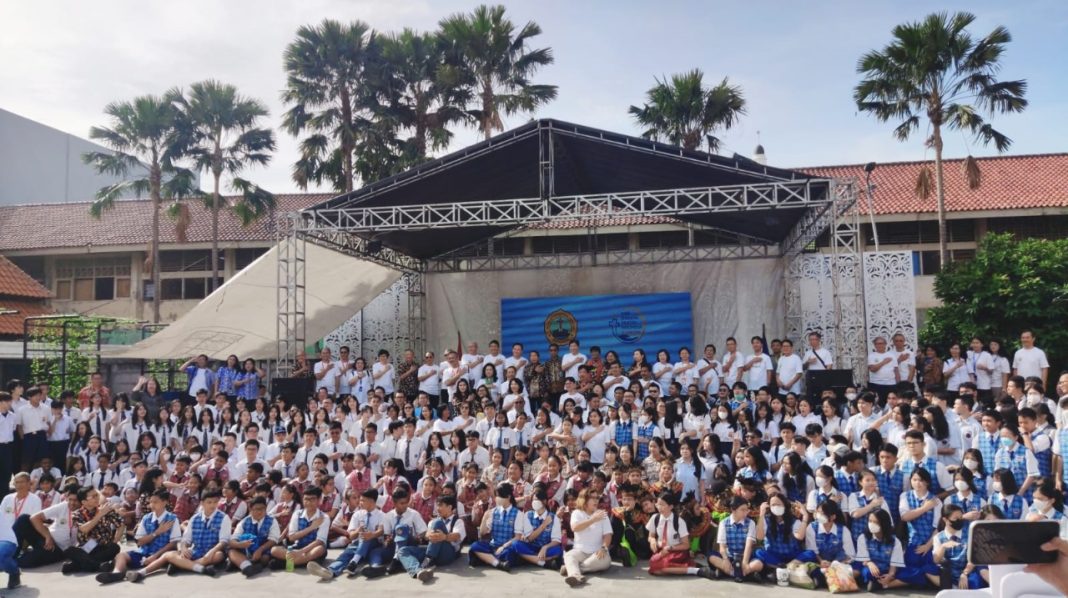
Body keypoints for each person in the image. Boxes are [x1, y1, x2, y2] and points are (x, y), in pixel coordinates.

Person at [127, 489, 230, 580]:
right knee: (168, 555)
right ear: (202, 503)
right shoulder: (195, 518)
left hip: (212, 551)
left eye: (215, 502)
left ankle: (181, 565)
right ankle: (141, 573)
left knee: (218, 555)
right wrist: (184, 548)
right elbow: (186, 539)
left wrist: (211, 551)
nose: (213, 505)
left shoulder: (223, 518)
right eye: (209, 502)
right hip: (196, 551)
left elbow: (223, 541)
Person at [96, 489, 180, 584]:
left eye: (155, 502)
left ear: (165, 502)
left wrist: (154, 556)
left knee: (164, 558)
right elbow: (140, 542)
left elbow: (173, 543)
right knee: (121, 555)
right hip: (144, 551)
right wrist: (157, 532)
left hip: (161, 553)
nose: (151, 505)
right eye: (150, 502)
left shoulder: (172, 519)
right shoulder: (146, 518)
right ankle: (117, 573)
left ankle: (140, 574)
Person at [308, 488, 384, 579]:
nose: (360, 503)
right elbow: (351, 536)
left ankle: (354, 563)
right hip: (357, 544)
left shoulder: (382, 516)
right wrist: (358, 530)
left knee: (366, 539)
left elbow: (381, 534)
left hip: (374, 545)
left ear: (371, 501)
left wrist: (371, 535)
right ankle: (330, 571)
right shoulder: (357, 514)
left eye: (363, 501)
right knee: (345, 555)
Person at [394, 493, 466, 582]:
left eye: (440, 506)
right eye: (437, 506)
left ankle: (426, 562)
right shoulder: (433, 521)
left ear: (450, 507)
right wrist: (431, 535)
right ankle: (418, 571)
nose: (437, 509)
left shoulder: (458, 521)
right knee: (403, 551)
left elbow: (457, 536)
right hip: (431, 550)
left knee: (438, 523)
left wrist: (444, 537)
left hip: (447, 553)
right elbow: (427, 535)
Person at [15, 483, 80, 569]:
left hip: (58, 550)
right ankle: (10, 553)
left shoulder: (86, 511)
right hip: (46, 538)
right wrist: (48, 536)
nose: (71, 503)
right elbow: (34, 518)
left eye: (75, 500)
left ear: (82, 500)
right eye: (70, 499)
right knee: (23, 519)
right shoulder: (63, 506)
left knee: (24, 562)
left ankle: (14, 560)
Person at [64, 486, 123, 574]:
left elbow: (121, 525)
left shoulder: (105, 509)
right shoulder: (76, 514)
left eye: (97, 495)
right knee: (70, 550)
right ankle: (98, 566)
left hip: (104, 547)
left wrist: (115, 540)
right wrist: (100, 514)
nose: (97, 498)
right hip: (86, 548)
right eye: (93, 497)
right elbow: (84, 529)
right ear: (84, 502)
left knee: (115, 547)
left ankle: (76, 565)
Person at [562, 487, 614, 587]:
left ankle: (574, 570)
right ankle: (575, 575)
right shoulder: (577, 513)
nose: (596, 500)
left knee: (606, 561)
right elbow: (575, 528)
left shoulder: (602, 514)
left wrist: (604, 548)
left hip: (597, 552)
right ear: (584, 500)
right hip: (580, 551)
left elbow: (608, 535)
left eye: (597, 498)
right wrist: (592, 520)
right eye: (592, 498)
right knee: (568, 556)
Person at [269, 485, 328, 569]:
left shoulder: (324, 517)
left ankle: (289, 563)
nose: (308, 502)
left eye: (312, 499)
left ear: (319, 500)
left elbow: (319, 541)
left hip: (312, 548)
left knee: (320, 549)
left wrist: (301, 552)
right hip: (297, 547)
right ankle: (303, 563)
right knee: (274, 550)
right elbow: (292, 537)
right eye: (306, 499)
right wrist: (311, 527)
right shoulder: (297, 514)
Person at [468, 482, 521, 571]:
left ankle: (487, 559)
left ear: (508, 497)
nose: (497, 499)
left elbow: (517, 537)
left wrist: (503, 546)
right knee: (474, 546)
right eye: (496, 496)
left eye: (499, 496)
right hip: (493, 545)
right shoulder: (493, 512)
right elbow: (482, 533)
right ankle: (498, 563)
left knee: (510, 553)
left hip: (507, 546)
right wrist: (485, 517)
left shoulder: (518, 513)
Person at [706, 495, 756, 581]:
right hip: (730, 555)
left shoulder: (750, 523)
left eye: (746, 510)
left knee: (759, 561)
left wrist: (744, 562)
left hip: (744, 556)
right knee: (711, 556)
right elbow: (722, 547)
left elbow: (749, 545)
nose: (745, 513)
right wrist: (725, 559)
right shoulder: (724, 523)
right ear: (733, 510)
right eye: (742, 510)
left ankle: (729, 572)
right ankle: (739, 573)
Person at [227, 496, 280, 577]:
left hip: (263, 550)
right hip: (246, 551)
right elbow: (233, 539)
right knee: (231, 551)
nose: (260, 512)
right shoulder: (244, 522)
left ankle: (241, 564)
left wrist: (260, 549)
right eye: (257, 509)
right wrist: (239, 544)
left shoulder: (272, 521)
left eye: (262, 509)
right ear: (250, 509)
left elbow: (273, 540)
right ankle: (247, 566)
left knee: (265, 557)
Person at [513, 488, 563, 568]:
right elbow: (529, 538)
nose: (534, 502)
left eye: (536, 500)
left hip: (546, 548)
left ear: (544, 501)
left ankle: (529, 558)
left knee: (558, 550)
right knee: (516, 544)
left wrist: (545, 547)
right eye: (533, 500)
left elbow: (556, 540)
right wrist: (544, 525)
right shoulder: (528, 515)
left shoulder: (553, 517)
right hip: (531, 547)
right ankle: (543, 562)